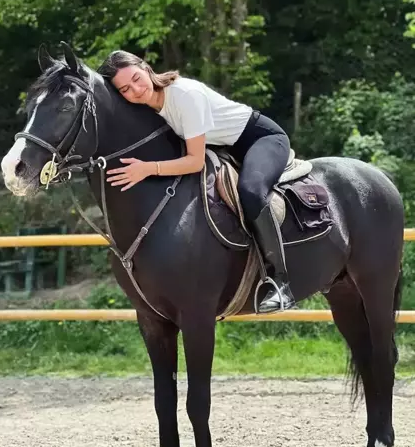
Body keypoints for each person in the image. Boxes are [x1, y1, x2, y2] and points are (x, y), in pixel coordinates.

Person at [97, 51, 294, 313]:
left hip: (258, 139)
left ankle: (280, 282)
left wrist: (147, 169)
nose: (135, 89)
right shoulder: (145, 107)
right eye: (125, 89)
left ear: (146, 68)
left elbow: (195, 161)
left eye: (136, 78)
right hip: (224, 147)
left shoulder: (183, 95)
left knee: (251, 192)